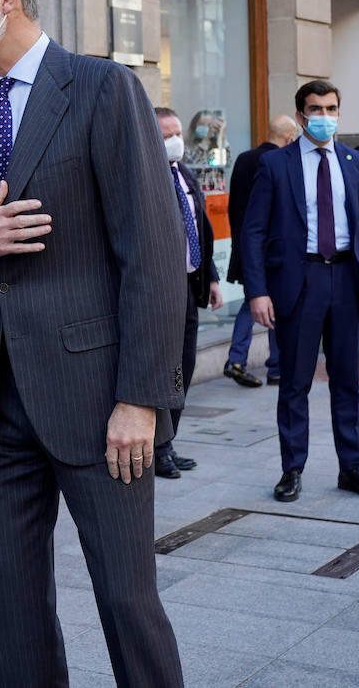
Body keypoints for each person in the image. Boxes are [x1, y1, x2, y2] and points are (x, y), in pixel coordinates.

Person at [0, 0, 186, 687]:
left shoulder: (102, 89)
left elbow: (153, 255)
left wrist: (141, 398)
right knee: (14, 606)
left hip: (100, 403)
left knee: (128, 602)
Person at [241, 79, 359, 503]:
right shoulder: (275, 165)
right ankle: (292, 469)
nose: (324, 116)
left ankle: (352, 467)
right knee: (294, 383)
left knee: (347, 382)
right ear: (302, 114)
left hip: (347, 281)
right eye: (315, 109)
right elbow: (252, 233)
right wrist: (257, 291)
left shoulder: (356, 161)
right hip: (298, 283)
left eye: (331, 108)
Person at [153, 107, 223, 480]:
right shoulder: (145, 176)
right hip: (160, 291)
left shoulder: (184, 174)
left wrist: (210, 277)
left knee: (184, 368)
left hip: (188, 285)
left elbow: (202, 228)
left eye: (177, 132)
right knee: (165, 371)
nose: (175, 141)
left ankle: (169, 441)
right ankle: (157, 448)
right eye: (166, 134)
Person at [223, 115, 298, 387]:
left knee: (254, 301)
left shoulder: (244, 158)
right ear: (289, 137)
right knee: (266, 301)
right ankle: (265, 363)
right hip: (269, 248)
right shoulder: (278, 163)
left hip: (246, 246)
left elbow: (235, 206)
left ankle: (245, 359)